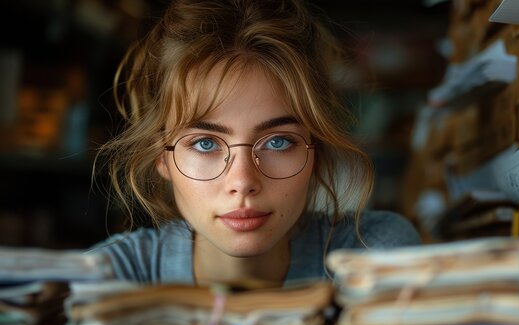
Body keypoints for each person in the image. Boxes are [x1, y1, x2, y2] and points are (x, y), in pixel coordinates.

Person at [91, 0, 421, 286]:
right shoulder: (111, 276)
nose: (243, 182)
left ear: (316, 150)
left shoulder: (375, 256)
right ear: (163, 156)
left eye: (277, 142)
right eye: (205, 143)